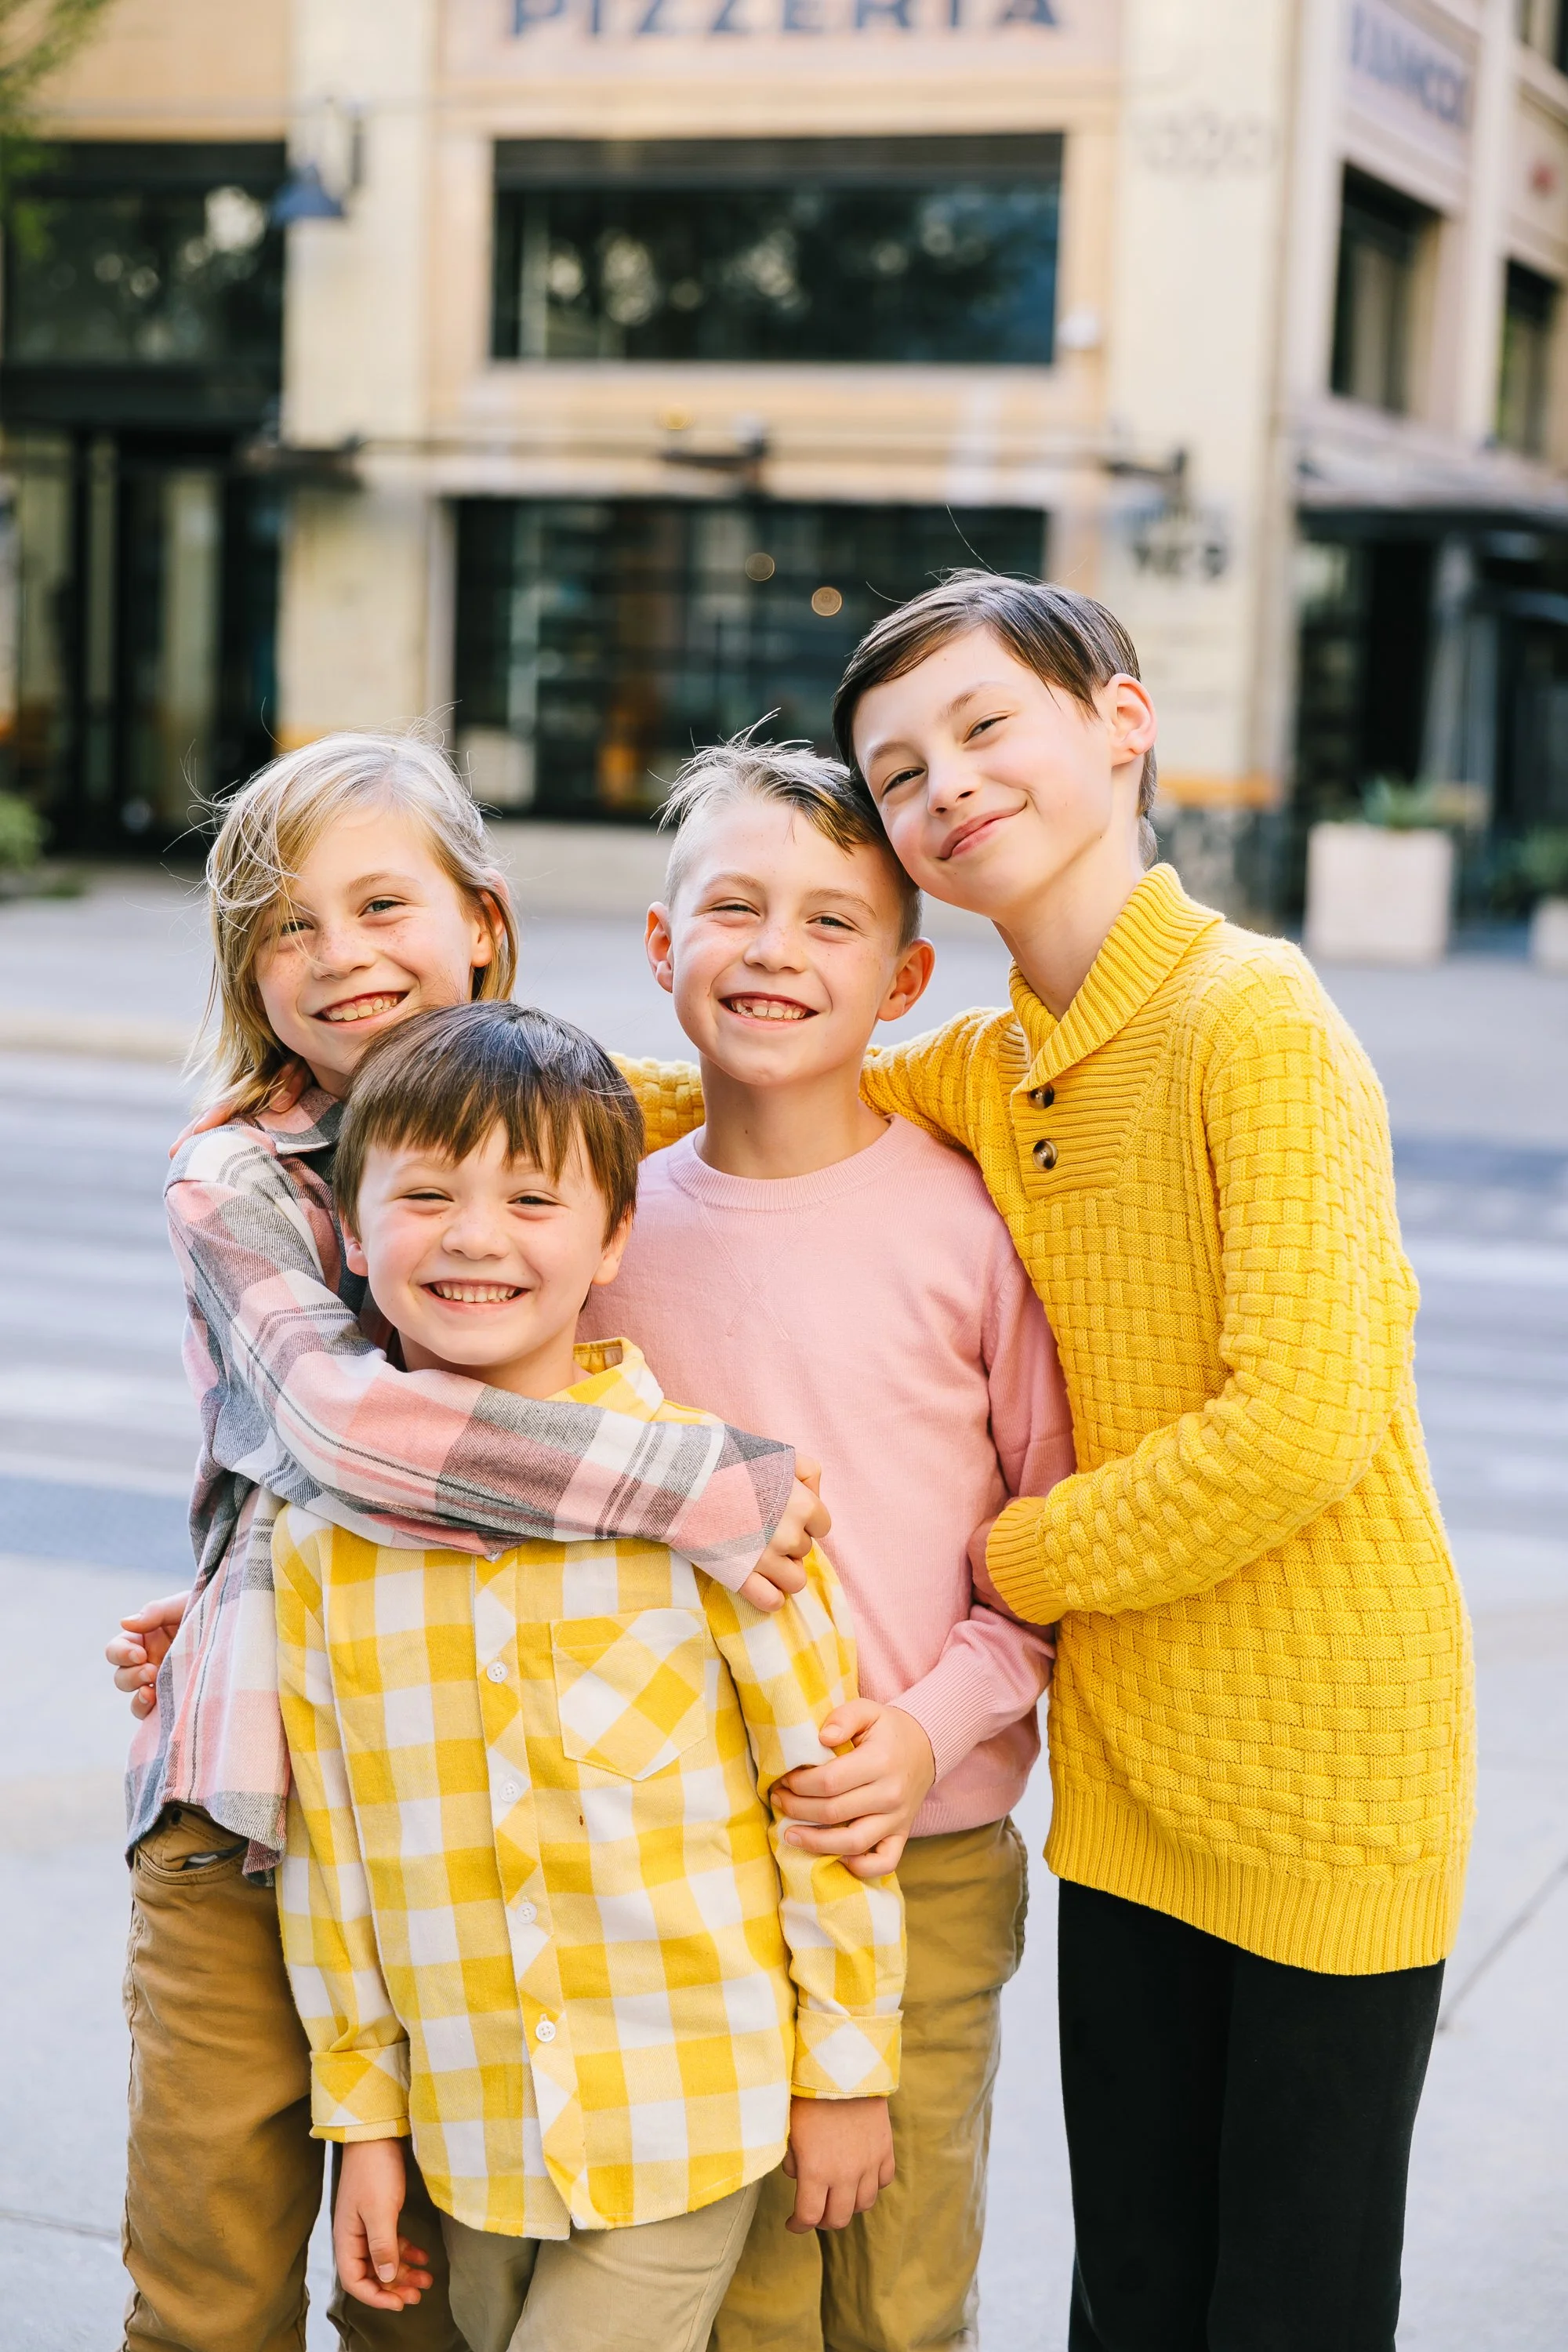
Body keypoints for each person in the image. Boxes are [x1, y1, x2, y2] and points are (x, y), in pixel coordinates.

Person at [104, 734, 826, 2352]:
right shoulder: (241, 1170)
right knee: (210, 2287)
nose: (340, 955)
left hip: (479, 1842)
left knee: (418, 2304)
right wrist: (698, 1486)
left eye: (379, 904)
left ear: (482, 921)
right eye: (287, 928)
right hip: (251, 1800)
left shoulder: (577, 1115)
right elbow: (351, 1429)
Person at [824, 572, 1475, 2352]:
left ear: (1120, 721)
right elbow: (764, 1065)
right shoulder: (993, 1064)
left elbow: (1298, 1426)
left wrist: (1014, 1561)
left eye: (981, 726)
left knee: (1288, 2310)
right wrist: (428, 1083)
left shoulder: (1250, 1020)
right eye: (895, 773)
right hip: (1125, 1790)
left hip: (1329, 1777)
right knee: (1130, 2298)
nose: (941, 784)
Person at [274, 998, 905, 2352]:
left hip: (685, 2105)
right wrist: (366, 2126)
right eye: (426, 1192)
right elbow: (334, 1854)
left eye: (532, 1197)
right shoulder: (324, 1544)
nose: (475, 1236)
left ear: (614, 1236)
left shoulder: (724, 1499)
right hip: (470, 2127)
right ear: (355, 1226)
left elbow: (822, 1802)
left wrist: (846, 2069)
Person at [576, 739, 1074, 2352]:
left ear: (905, 975)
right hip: (676, 1883)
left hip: (911, 1856)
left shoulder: (962, 1223)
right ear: (664, 949)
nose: (775, 951)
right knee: (739, 2306)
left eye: (831, 922)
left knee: (893, 2297)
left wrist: (927, 1727)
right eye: (732, 908)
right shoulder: (602, 1233)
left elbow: (1044, 1548)